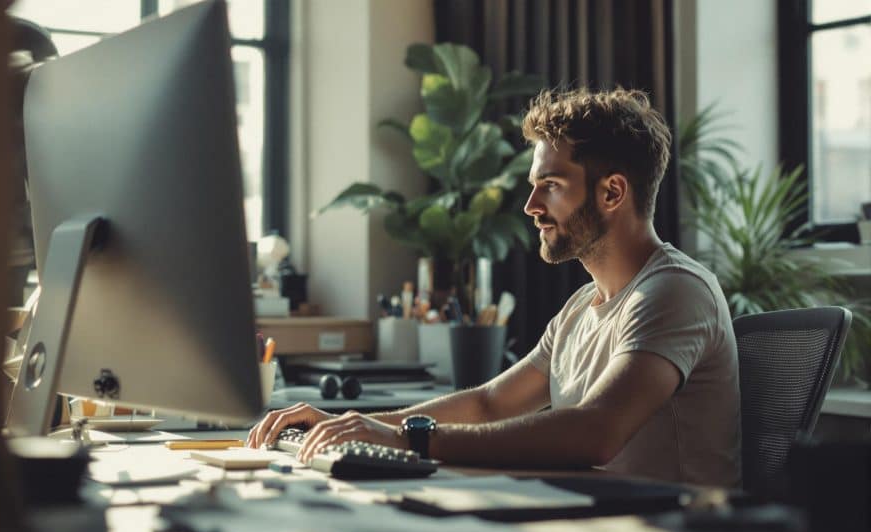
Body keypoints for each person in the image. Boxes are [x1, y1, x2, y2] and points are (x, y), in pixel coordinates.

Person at [247, 88, 741, 487]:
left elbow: (597, 431)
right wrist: (359, 425)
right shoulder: (581, 308)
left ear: (611, 191)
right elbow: (490, 404)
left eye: (549, 184)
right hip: (588, 519)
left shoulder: (675, 290)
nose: (530, 205)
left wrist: (413, 440)